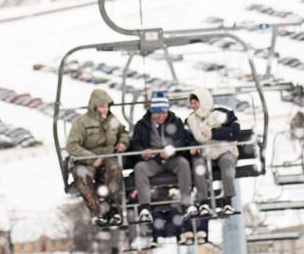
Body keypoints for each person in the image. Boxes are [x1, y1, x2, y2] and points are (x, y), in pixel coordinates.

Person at [127, 91, 201, 224]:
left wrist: (172, 148)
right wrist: (143, 152)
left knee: (183, 164)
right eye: (158, 113)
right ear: (152, 112)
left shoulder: (176, 121)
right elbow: (135, 143)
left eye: (164, 113)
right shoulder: (142, 124)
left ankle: (186, 204)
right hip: (152, 161)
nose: (161, 116)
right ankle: (145, 207)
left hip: (172, 160)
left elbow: (182, 139)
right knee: (140, 168)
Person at [65, 88, 130, 226]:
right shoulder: (82, 123)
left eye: (107, 106)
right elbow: (71, 145)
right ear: (94, 107)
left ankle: (114, 210)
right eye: (102, 106)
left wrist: (123, 142)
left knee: (113, 168)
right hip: (86, 162)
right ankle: (96, 212)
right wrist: (91, 158)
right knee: (81, 174)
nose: (105, 109)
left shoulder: (113, 120)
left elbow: (123, 132)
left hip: (106, 160)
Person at [184, 87, 242, 225]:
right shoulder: (190, 120)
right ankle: (203, 201)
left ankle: (227, 199)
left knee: (227, 162)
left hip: (224, 151)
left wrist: (215, 134)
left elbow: (235, 131)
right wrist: (193, 145)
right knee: (198, 166)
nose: (194, 106)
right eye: (192, 103)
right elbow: (188, 136)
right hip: (205, 154)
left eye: (196, 103)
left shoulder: (222, 112)